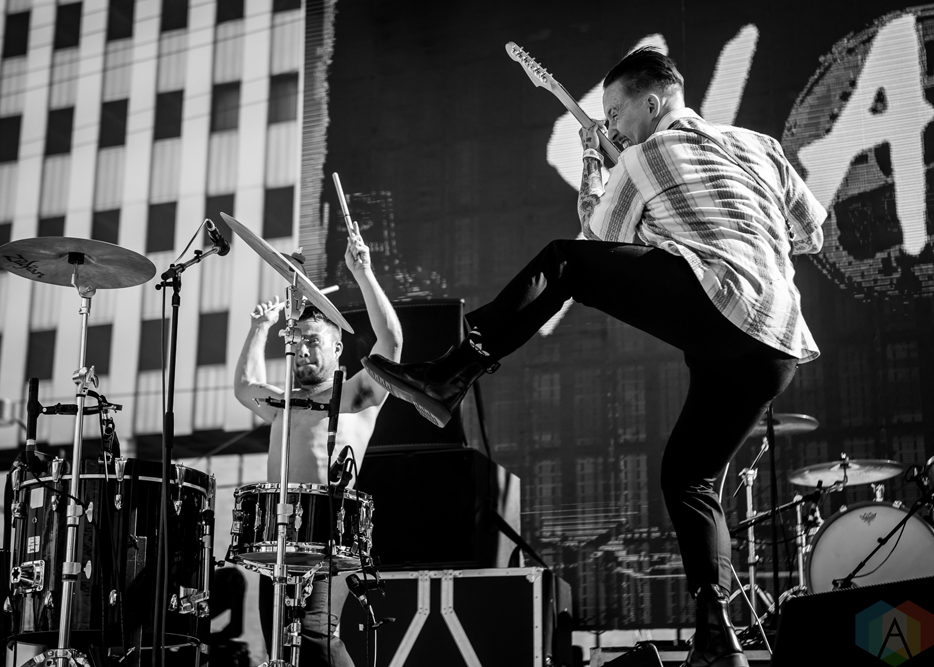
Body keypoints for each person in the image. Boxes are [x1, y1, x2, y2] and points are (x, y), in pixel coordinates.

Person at [363, 47, 825, 667]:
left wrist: (592, 161)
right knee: (688, 476)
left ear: (652, 104)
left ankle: (449, 373)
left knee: (563, 262)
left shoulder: (643, 157)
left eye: (615, 113)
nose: (611, 127)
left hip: (723, 308)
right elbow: (812, 232)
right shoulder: (759, 145)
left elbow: (597, 238)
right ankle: (718, 639)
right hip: (778, 343)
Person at [234, 221, 403, 667]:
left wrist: (363, 273)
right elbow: (245, 386)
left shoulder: (355, 395)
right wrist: (261, 327)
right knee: (280, 645)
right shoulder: (283, 403)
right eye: (296, 341)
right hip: (276, 536)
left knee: (314, 633)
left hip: (329, 535)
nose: (303, 349)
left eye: (312, 341)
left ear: (337, 350)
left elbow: (391, 342)